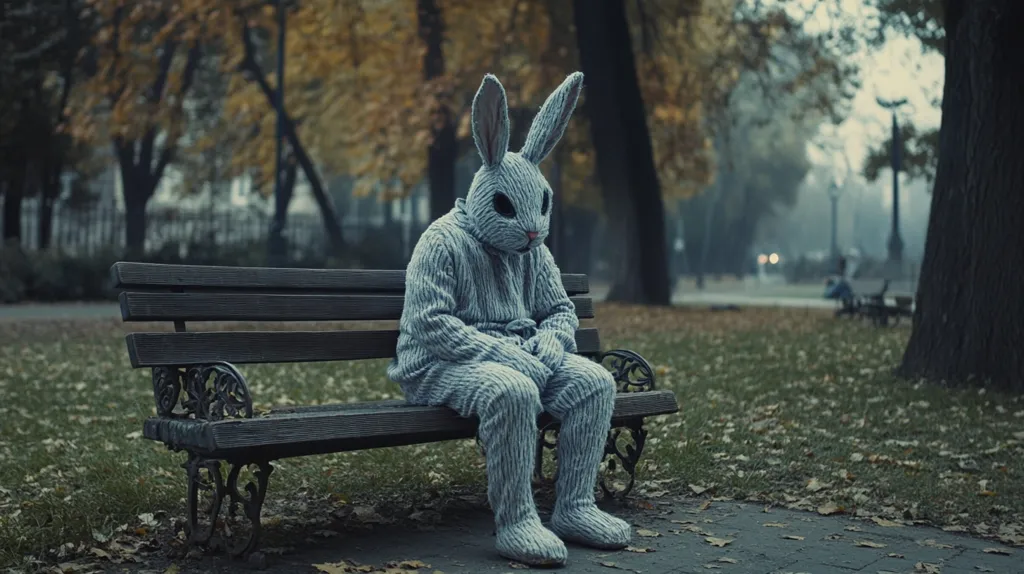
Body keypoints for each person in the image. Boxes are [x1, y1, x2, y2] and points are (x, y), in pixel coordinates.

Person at [388, 72, 630, 567]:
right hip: (439, 363)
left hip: (522, 353)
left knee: (594, 383)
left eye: (540, 210)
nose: (532, 229)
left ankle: (575, 507)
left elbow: (559, 309)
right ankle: (516, 521)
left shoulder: (531, 246)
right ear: (487, 195)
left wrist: (552, 341)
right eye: (511, 212)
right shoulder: (442, 241)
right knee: (512, 391)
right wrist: (506, 353)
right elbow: (430, 324)